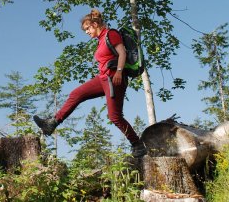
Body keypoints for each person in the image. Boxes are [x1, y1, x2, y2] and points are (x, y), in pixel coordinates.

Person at [33, 9, 147, 158]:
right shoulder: (100, 40)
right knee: (76, 94)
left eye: (88, 28)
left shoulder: (110, 34)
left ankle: (137, 144)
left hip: (114, 79)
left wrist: (119, 71)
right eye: (85, 29)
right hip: (103, 78)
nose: (87, 32)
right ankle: (52, 123)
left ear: (95, 24)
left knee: (114, 116)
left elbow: (122, 53)